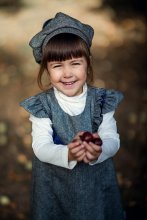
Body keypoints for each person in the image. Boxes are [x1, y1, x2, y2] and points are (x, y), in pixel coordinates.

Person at [20, 12, 125, 220]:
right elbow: (40, 147)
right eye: (57, 66)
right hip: (54, 188)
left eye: (75, 63)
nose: (67, 73)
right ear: (47, 70)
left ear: (88, 63)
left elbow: (112, 139)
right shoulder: (43, 106)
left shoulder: (102, 101)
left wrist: (99, 150)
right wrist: (68, 153)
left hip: (94, 185)